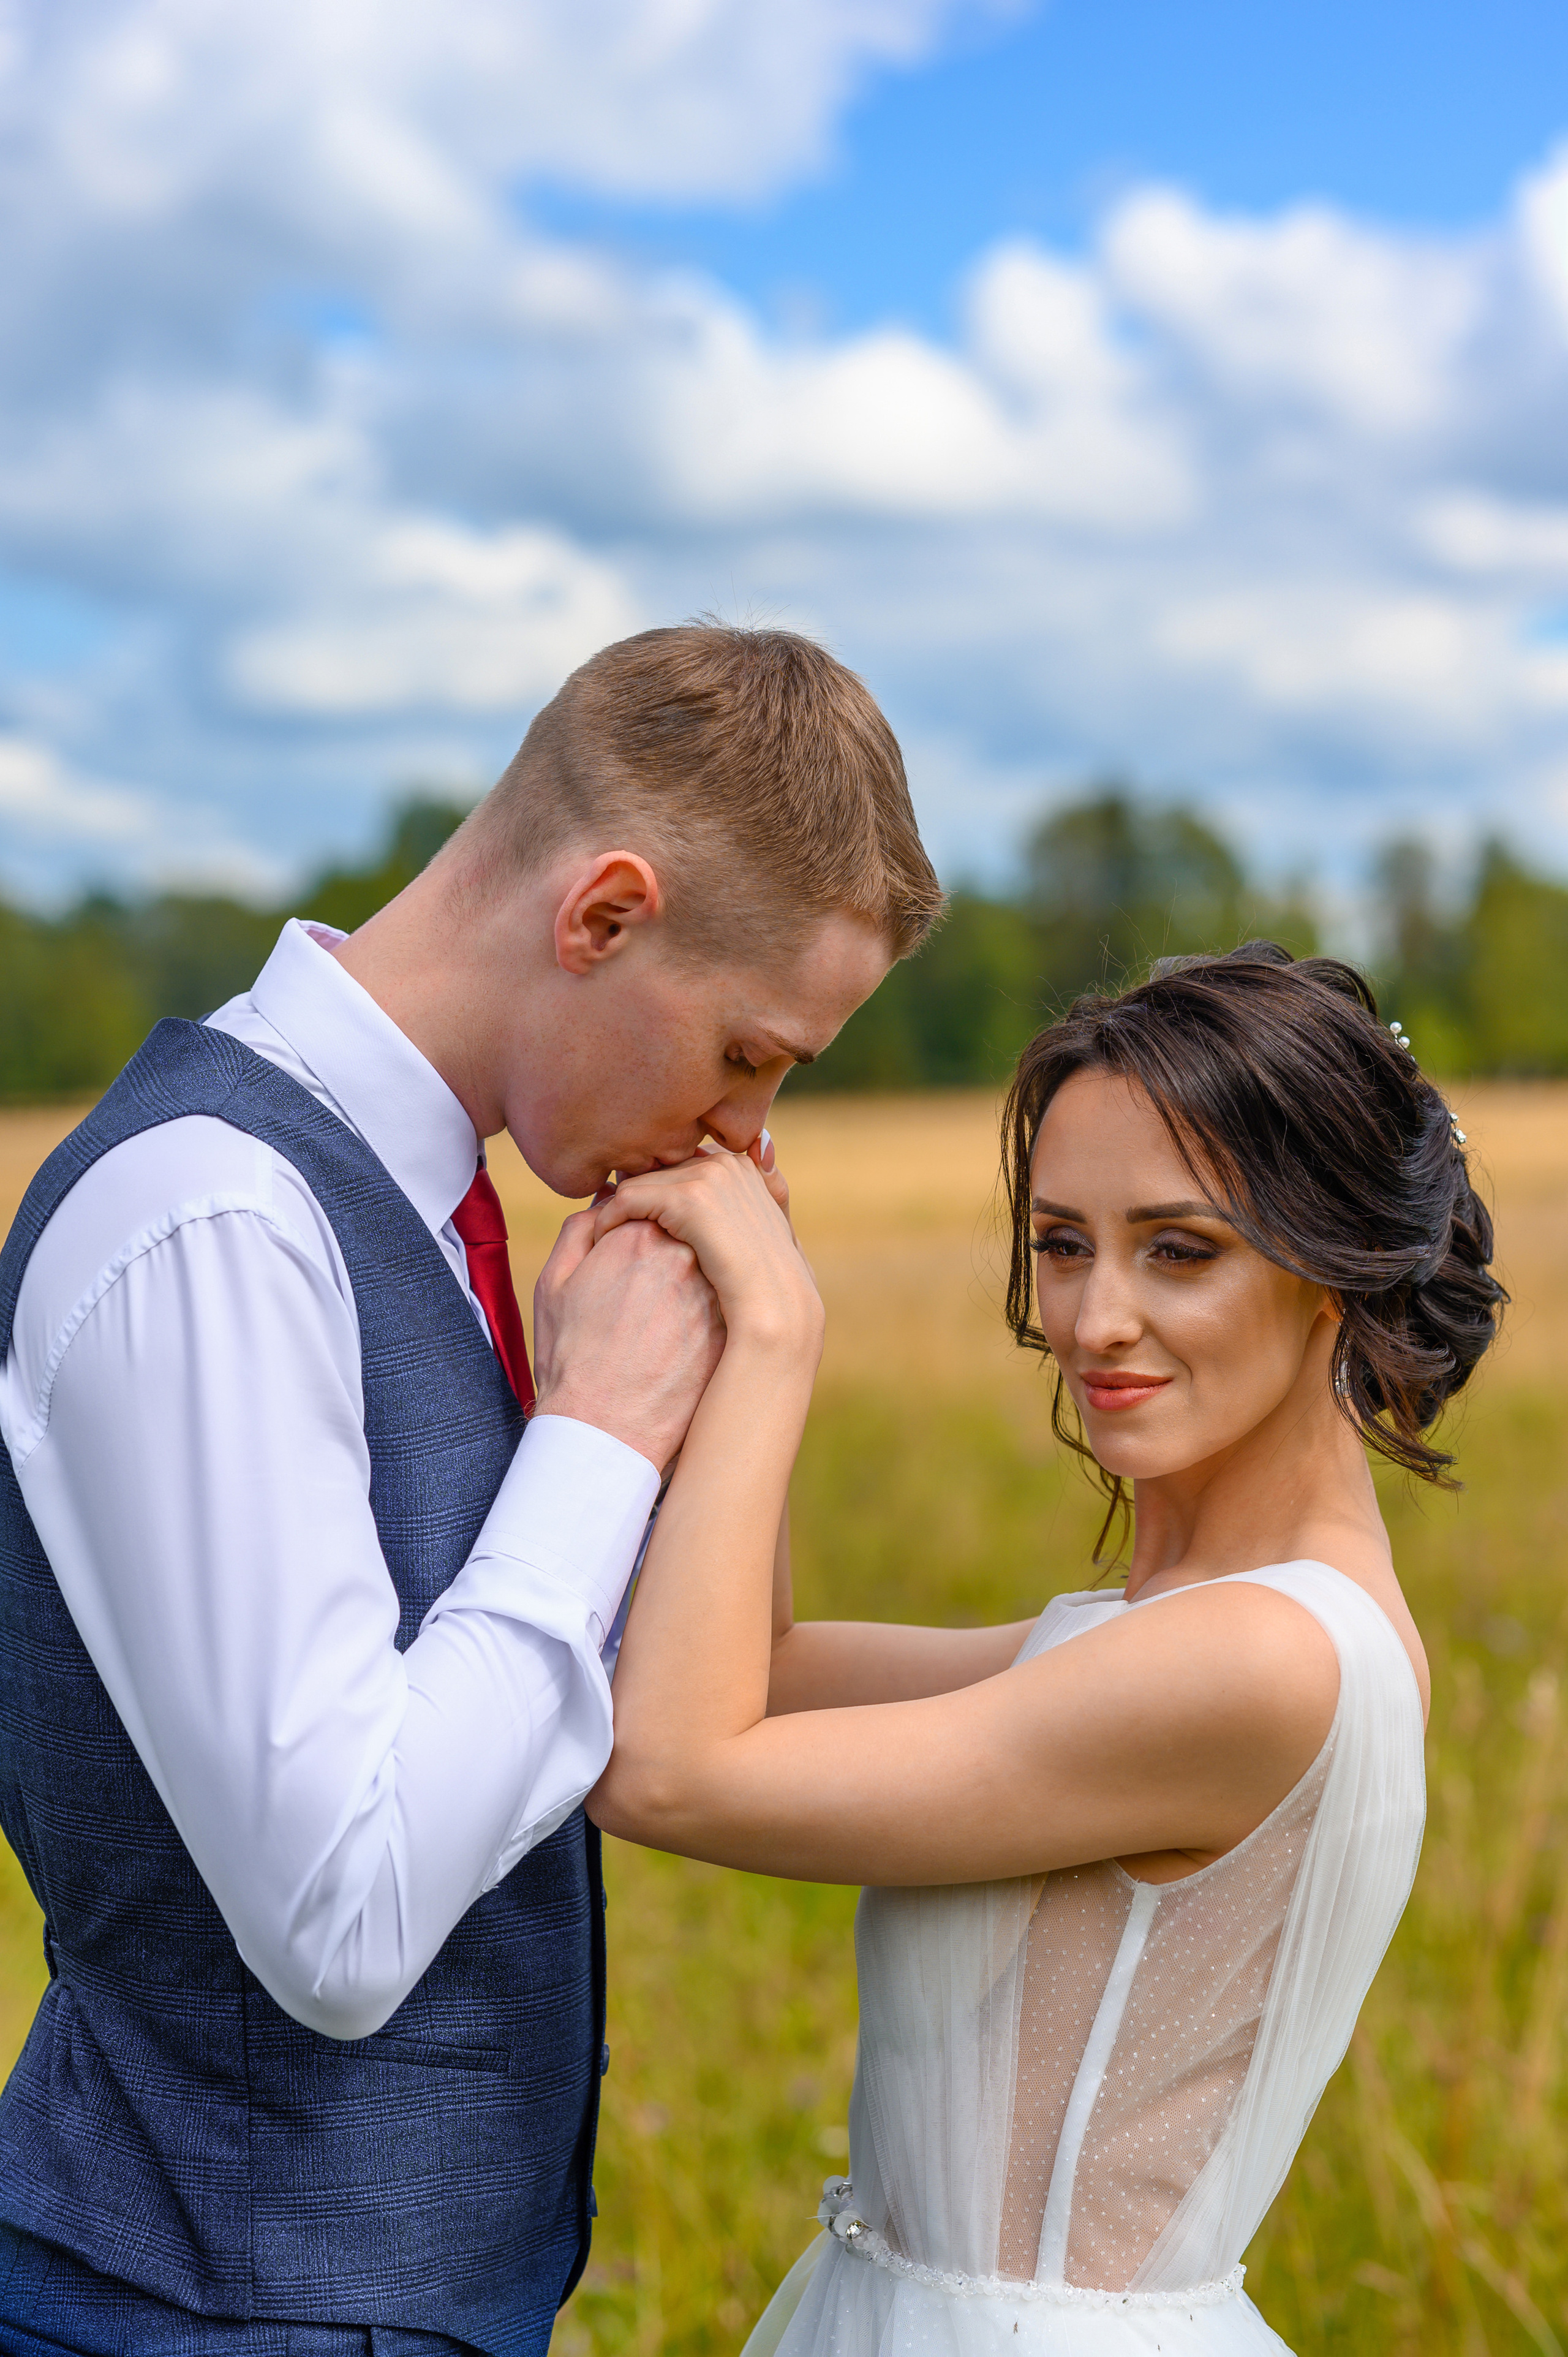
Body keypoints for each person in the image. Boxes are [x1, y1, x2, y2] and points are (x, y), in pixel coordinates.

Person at [0, 624, 942, 2357]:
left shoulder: (450, 1220)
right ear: (603, 915)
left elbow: (662, 1683)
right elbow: (338, 1913)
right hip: (199, 2312)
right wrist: (597, 1435)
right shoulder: (212, 1217)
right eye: (747, 1053)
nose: (745, 1132)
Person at [590, 944, 1506, 2357]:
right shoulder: (1182, 1630)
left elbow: (665, 1768)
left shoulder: (1259, 1658)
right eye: (1063, 1243)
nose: (1092, 1320)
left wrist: (776, 1334)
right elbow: (750, 1675)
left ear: (1331, 1266)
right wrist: (727, 1297)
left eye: (1178, 1249)